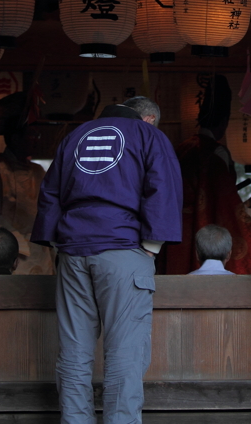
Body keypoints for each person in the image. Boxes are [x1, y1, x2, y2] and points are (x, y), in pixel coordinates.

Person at [32, 96, 182, 424]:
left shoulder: (75, 136)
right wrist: (151, 247)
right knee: (124, 355)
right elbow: (163, 189)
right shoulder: (148, 135)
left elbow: (50, 193)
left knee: (73, 354)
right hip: (123, 249)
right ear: (148, 118)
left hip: (73, 252)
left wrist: (60, 241)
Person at [165, 74, 251, 275]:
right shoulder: (216, 154)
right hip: (207, 227)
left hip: (176, 232)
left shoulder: (182, 149)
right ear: (225, 120)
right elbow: (226, 202)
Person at [0, 90, 55, 274]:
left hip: (40, 252)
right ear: (16, 137)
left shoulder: (38, 171)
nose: (36, 140)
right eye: (32, 134)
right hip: (9, 253)